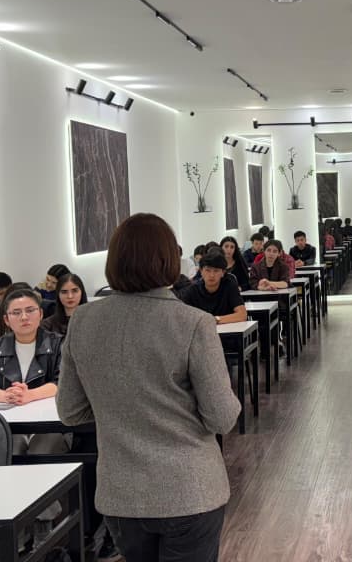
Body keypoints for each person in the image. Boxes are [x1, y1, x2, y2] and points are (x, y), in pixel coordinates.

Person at [58, 213, 241, 561]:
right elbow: (221, 417)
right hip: (190, 489)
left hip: (122, 494)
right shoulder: (193, 323)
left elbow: (70, 411)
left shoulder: (82, 320)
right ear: (169, 260)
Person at [0, 288, 68, 456]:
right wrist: (6, 396)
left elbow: (64, 382)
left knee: (41, 451)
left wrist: (30, 395)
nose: (24, 317)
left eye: (30, 310)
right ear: (6, 320)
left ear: (41, 314)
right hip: (8, 423)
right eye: (16, 313)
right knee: (10, 450)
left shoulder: (59, 344)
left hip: (50, 424)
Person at [179, 254, 249, 324]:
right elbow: (182, 316)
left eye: (216, 271)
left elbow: (242, 315)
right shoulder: (193, 290)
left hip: (227, 329)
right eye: (207, 270)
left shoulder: (230, 286)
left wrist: (214, 320)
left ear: (223, 273)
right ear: (201, 271)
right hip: (202, 330)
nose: (211, 275)